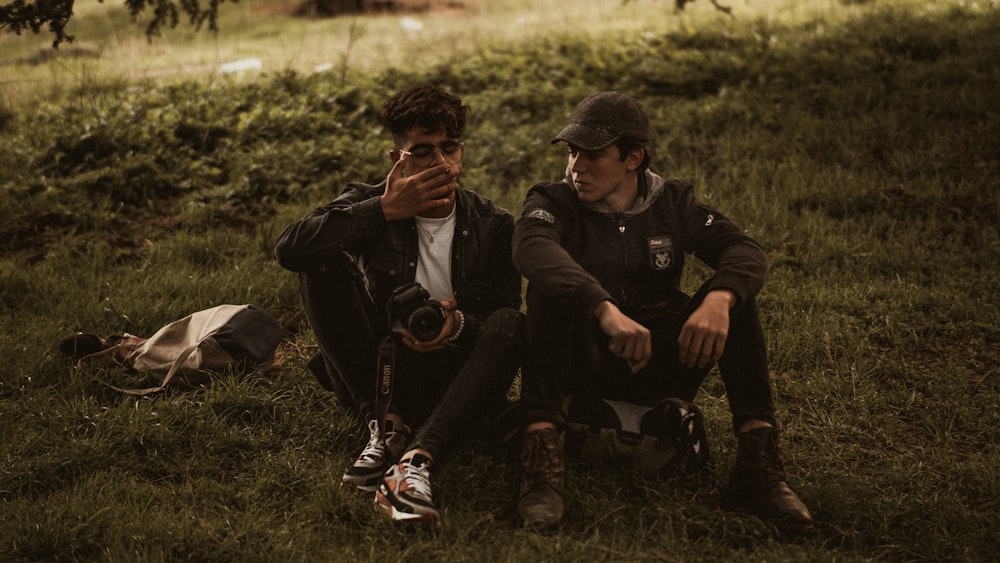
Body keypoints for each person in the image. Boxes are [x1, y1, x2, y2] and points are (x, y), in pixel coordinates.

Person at [512, 91, 813, 532]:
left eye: (593, 154)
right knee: (549, 290)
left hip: (660, 360)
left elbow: (743, 250)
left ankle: (758, 465)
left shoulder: (673, 202)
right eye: (573, 152)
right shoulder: (553, 201)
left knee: (734, 298)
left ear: (633, 157)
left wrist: (719, 299)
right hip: (586, 361)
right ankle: (539, 465)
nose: (576, 167)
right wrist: (602, 308)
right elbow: (531, 249)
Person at [274, 84, 523, 523]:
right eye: (423, 152)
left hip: (455, 377)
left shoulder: (494, 224)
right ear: (398, 159)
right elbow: (289, 249)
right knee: (319, 263)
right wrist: (384, 210)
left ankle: (418, 456)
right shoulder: (374, 203)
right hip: (382, 375)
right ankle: (385, 427)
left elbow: (499, 327)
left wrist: (458, 324)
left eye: (450, 148)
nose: (441, 164)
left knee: (512, 322)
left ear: (461, 151)